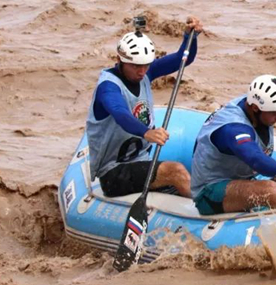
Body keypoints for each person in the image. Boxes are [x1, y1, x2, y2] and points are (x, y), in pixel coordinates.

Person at [85, 17, 203, 198]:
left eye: (146, 65)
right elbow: (120, 113)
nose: (142, 72)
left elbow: (182, 59)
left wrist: (190, 38)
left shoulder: (146, 73)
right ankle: (206, 212)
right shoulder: (108, 87)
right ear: (120, 60)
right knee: (176, 171)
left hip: (141, 162)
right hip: (114, 174)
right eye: (135, 66)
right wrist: (146, 132)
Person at [191, 49, 276, 215]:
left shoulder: (260, 105)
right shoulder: (234, 129)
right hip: (210, 192)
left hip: (243, 180)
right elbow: (255, 159)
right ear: (256, 108)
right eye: (275, 113)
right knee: (270, 188)